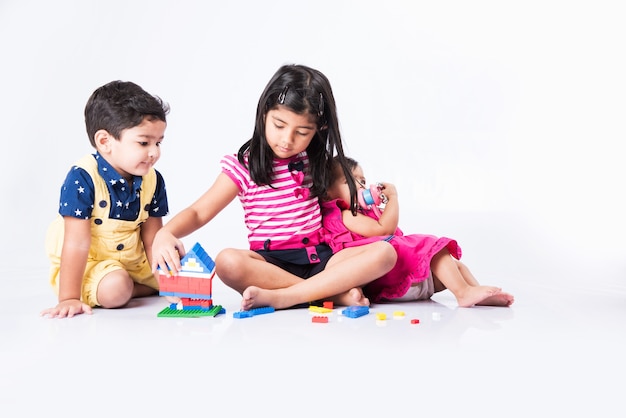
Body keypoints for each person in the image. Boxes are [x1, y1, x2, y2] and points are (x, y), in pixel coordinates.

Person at [151, 64, 397, 311]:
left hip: (323, 258)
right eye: (279, 125)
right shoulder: (243, 166)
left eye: (302, 132)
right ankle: (327, 293)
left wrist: (374, 195)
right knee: (228, 262)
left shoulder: (317, 163)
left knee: (385, 253)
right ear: (264, 113)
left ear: (319, 129)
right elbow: (198, 212)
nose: (287, 140)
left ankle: (288, 297)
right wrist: (166, 233)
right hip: (270, 266)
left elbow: (346, 199)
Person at [41, 81, 171, 318]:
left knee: (178, 274)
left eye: (158, 142)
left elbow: (152, 240)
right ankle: (122, 289)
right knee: (116, 289)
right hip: (90, 263)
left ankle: (136, 286)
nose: (154, 152)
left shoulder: (153, 180)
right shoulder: (82, 178)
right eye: (144, 142)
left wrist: (167, 277)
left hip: (134, 261)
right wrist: (68, 298)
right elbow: (76, 243)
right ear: (105, 141)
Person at [321, 156, 514, 307]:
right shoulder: (344, 215)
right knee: (433, 247)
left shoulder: (366, 212)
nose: (360, 187)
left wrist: (383, 207)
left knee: (455, 266)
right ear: (329, 192)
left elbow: (390, 229)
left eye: (362, 181)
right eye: (350, 182)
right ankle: (463, 293)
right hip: (389, 278)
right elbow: (384, 229)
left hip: (406, 276)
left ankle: (474, 291)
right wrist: (393, 198)